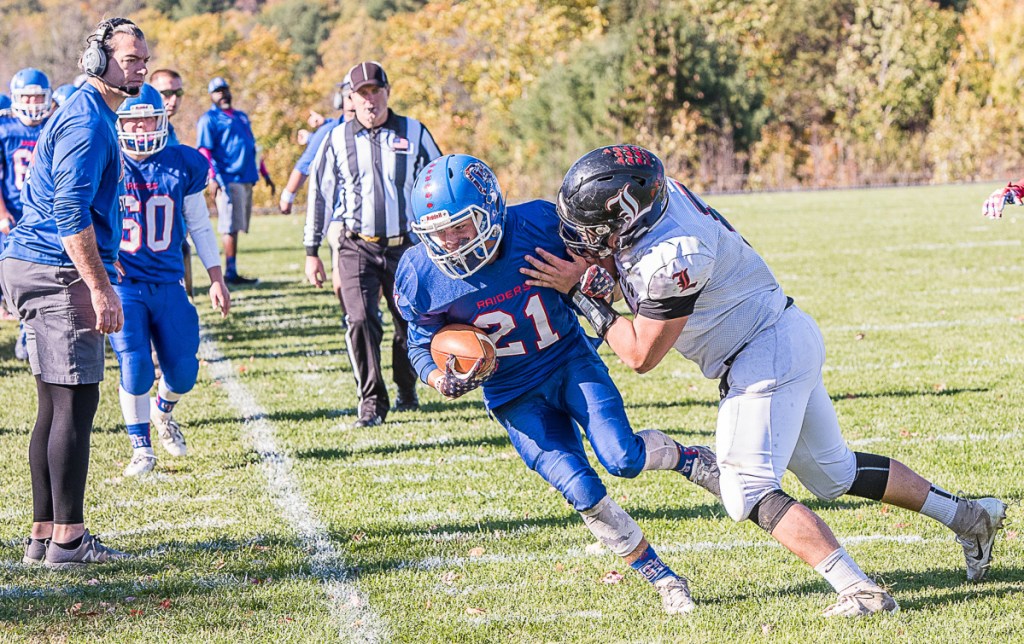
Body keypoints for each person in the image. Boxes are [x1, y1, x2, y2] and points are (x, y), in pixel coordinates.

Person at [526, 144, 1009, 617]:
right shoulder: (659, 199)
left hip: (763, 354)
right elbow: (628, 263)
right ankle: (971, 518)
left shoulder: (674, 258)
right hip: (783, 333)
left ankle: (860, 591)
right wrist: (603, 270)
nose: (581, 239)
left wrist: (582, 296)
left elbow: (638, 354)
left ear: (629, 219)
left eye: (593, 230)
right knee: (833, 473)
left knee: (746, 490)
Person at [395, 154, 722, 614]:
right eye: (438, 232)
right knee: (582, 490)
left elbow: (604, 263)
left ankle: (690, 459)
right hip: (512, 395)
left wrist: (592, 281)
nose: (450, 242)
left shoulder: (538, 224)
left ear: (490, 210)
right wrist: (438, 378)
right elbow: (418, 343)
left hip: (569, 361)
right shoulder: (421, 273)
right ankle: (662, 577)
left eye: (461, 227)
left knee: (622, 457)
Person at [0, 17, 149, 567]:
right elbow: (69, 214)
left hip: (32, 264)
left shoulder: (90, 116)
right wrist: (101, 288)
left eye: (143, 58)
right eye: (131, 58)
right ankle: (68, 539)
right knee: (74, 405)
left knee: (53, 406)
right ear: (96, 62)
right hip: (55, 270)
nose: (141, 66)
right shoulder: (88, 122)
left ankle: (44, 535)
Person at [304, 61, 441, 426]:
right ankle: (371, 401)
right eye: (361, 94)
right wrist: (311, 251)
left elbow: (439, 181)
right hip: (356, 244)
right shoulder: (336, 138)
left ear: (387, 92)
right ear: (350, 98)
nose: (369, 101)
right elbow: (319, 194)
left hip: (407, 247)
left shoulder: (414, 132)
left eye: (375, 92)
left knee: (408, 323)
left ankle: (406, 384)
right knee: (361, 319)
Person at [111, 84, 230, 476]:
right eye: (134, 118)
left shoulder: (181, 162)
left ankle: (163, 412)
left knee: (183, 371)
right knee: (136, 364)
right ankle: (141, 447)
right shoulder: (106, 160)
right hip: (124, 285)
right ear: (121, 121)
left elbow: (198, 223)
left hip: (169, 282)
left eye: (149, 117)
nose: (143, 126)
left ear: (162, 119)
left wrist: (216, 276)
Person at [196, 76, 275, 285]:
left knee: (236, 225)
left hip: (246, 177)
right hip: (226, 178)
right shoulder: (209, 119)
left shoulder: (241, 116)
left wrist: (264, 173)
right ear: (211, 96)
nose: (223, 94)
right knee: (228, 225)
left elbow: (251, 146)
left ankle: (233, 269)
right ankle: (229, 272)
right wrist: (212, 176)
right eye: (217, 91)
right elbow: (205, 150)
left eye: (225, 90)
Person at [0, 69, 53, 339]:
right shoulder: (4, 129)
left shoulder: (53, 127)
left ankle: (29, 333)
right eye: (27, 97)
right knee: (15, 276)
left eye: (37, 97)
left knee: (42, 276)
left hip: (45, 214)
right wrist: (2, 213)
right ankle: (24, 328)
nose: (33, 103)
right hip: (13, 213)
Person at [279, 80, 355, 215]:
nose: (354, 102)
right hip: (341, 214)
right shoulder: (329, 131)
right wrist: (287, 197)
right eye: (349, 97)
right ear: (340, 101)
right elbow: (304, 165)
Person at [150, 69, 183, 147]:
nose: (174, 99)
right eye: (167, 93)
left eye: (179, 92)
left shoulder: (168, 128)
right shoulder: (144, 131)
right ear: (152, 94)